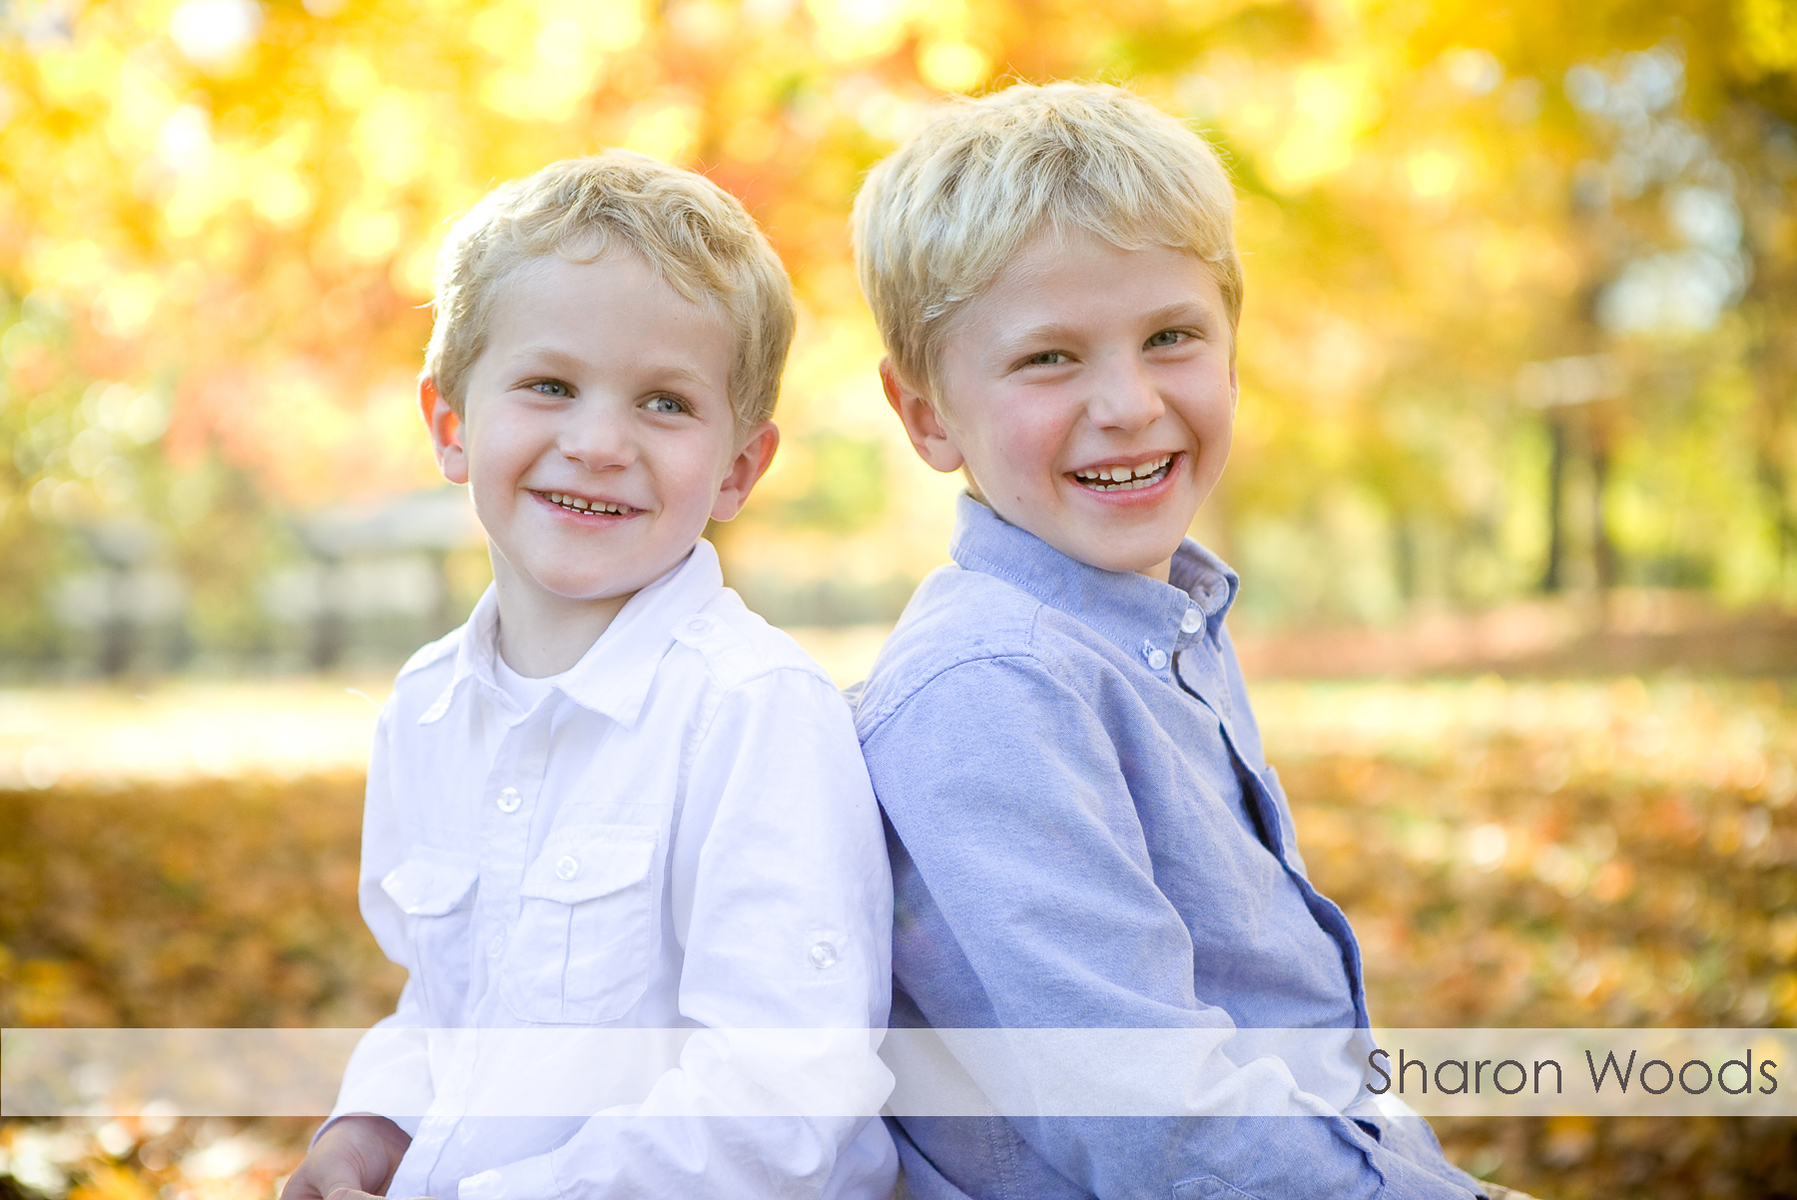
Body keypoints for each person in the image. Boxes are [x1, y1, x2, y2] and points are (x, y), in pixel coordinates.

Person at [850, 82, 1514, 1199]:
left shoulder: (1156, 626)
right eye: (1048, 358)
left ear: (1231, 352)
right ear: (925, 414)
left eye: (1171, 337)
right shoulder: (994, 687)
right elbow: (1162, 1125)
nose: (1128, 404)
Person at [280, 152, 897, 1200]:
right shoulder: (425, 711)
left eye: (665, 402)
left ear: (739, 468)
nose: (600, 442)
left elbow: (782, 1097)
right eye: (550, 386)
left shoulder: (752, 714)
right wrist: (371, 1131)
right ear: (450, 426)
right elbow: (447, 1005)